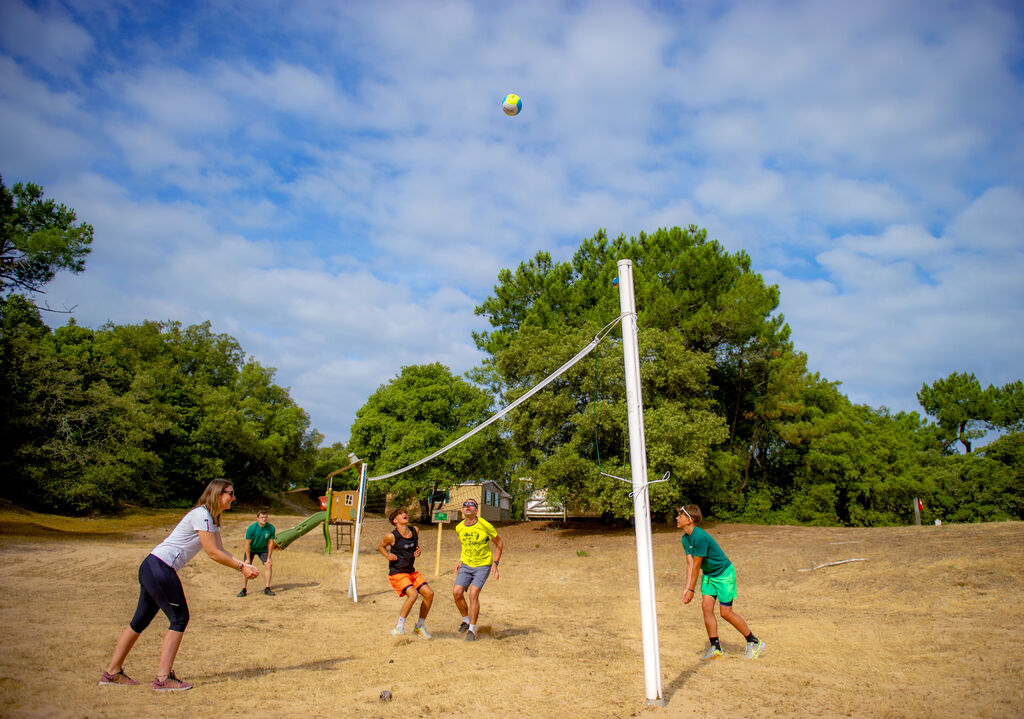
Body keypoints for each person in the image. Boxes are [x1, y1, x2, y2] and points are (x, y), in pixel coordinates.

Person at [99, 478, 259, 691]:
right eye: (230, 493)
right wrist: (241, 568)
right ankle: (163, 679)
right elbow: (212, 553)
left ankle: (112, 673)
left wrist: (243, 564)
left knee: (139, 621)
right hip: (160, 568)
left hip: (152, 566)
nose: (234, 497)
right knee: (180, 618)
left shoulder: (211, 517)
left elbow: (220, 549)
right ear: (217, 494)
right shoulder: (202, 515)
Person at [677, 504, 765, 660]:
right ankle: (716, 647)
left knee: (726, 613)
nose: (677, 518)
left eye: (680, 516)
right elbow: (690, 564)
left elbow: (697, 565)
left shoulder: (700, 537)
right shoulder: (685, 539)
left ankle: (754, 642)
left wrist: (692, 590)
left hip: (724, 574)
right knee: (706, 607)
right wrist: (687, 588)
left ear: (689, 520)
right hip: (710, 575)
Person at [378, 508, 434, 639]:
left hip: (411, 571)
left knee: (429, 593)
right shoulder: (391, 536)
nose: (404, 515)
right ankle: (399, 627)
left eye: (405, 513)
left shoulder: (415, 530)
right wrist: (387, 555)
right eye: (400, 514)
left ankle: (419, 627)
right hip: (397, 573)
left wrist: (418, 551)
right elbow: (381, 546)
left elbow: (415, 547)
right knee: (413, 595)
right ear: (395, 520)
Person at [452, 498, 503, 641]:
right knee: (457, 593)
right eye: (465, 505)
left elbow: (499, 543)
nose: (467, 507)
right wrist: (461, 561)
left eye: (471, 505)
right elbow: (465, 544)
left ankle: (472, 631)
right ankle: (466, 620)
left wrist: (496, 564)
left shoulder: (484, 525)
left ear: (476, 510)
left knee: (473, 594)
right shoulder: (459, 527)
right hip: (466, 564)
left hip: (482, 565)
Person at [238, 509, 277, 597]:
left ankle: (267, 588)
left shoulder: (271, 528)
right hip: (251, 549)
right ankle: (243, 589)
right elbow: (247, 544)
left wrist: (269, 557)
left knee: (268, 565)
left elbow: (271, 543)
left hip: (263, 549)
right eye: (262, 517)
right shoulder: (251, 528)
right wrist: (247, 559)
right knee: (245, 567)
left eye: (265, 517)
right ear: (258, 519)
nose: (264, 519)